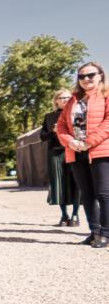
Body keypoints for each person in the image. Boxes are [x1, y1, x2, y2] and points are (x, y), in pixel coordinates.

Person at [56, 61, 109, 247]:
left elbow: (108, 122)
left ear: (100, 75)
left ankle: (106, 234)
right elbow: (61, 125)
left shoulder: (106, 95)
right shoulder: (73, 99)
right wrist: (70, 142)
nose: (86, 79)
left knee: (104, 194)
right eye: (81, 76)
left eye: (90, 75)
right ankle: (94, 232)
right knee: (87, 194)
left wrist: (89, 142)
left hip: (100, 151)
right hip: (75, 151)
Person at [39, 88, 80, 226]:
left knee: (77, 183)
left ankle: (75, 215)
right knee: (59, 184)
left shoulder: (77, 113)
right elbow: (43, 137)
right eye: (62, 98)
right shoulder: (49, 117)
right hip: (56, 153)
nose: (66, 100)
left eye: (68, 97)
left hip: (74, 151)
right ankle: (64, 215)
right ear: (56, 101)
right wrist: (53, 131)